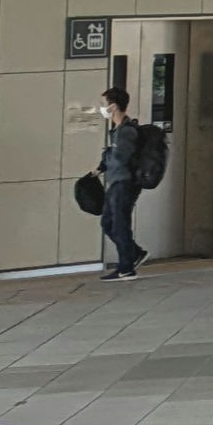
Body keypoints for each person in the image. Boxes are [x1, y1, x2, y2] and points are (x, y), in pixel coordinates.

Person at [95, 87, 147, 281]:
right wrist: (100, 168)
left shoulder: (126, 132)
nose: (101, 108)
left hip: (125, 183)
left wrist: (109, 162)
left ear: (113, 106)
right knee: (107, 222)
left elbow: (124, 158)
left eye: (104, 104)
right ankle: (135, 253)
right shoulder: (117, 130)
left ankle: (126, 268)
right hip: (116, 181)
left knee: (119, 225)